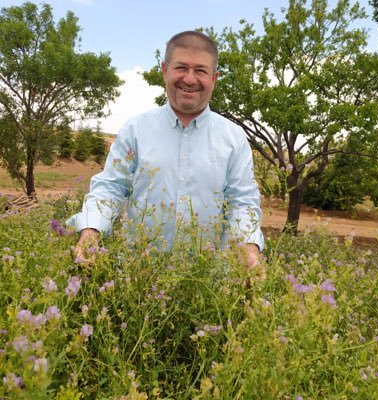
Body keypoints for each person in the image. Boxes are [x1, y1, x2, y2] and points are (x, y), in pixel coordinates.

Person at [66, 30, 264, 267]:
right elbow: (111, 188)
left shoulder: (234, 138)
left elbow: (242, 202)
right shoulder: (135, 130)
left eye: (200, 70)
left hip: (208, 287)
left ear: (214, 78)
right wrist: (91, 232)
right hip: (137, 278)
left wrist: (247, 248)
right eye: (181, 68)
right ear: (164, 70)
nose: (190, 79)